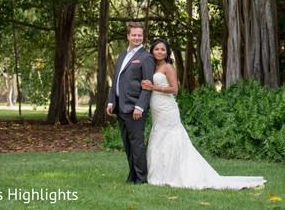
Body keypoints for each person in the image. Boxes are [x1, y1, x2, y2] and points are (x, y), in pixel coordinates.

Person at [141, 38, 266, 190]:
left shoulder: (168, 67)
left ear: (167, 52)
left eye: (162, 49)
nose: (159, 52)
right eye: (156, 49)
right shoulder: (152, 67)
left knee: (171, 137)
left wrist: (153, 87)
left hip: (167, 108)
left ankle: (176, 173)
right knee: (159, 136)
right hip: (156, 109)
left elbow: (175, 89)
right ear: (152, 51)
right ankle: (160, 174)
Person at [106, 21, 155, 184]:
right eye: (134, 34)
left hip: (135, 109)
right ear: (128, 36)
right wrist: (111, 102)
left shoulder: (146, 57)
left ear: (143, 37)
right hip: (121, 107)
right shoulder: (121, 55)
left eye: (139, 35)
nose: (136, 37)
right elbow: (116, 81)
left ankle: (141, 178)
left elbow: (148, 86)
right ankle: (132, 176)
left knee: (137, 144)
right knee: (127, 144)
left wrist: (140, 106)